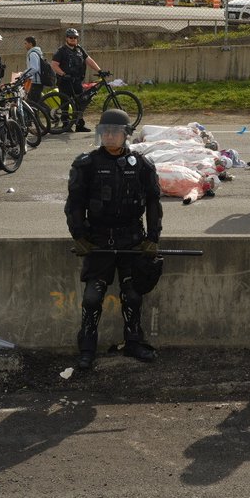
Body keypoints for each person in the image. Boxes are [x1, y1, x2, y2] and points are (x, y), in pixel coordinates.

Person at [66, 108, 162, 369]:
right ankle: (87, 347)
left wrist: (153, 238)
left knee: (132, 295)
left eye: (115, 132)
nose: (109, 136)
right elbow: (74, 204)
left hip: (132, 240)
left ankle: (133, 342)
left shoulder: (141, 164)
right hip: (99, 241)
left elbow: (154, 202)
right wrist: (79, 236)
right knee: (92, 298)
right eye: (104, 131)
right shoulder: (86, 164)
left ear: (125, 134)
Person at [51, 28, 102, 132]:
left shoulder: (80, 50)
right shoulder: (61, 51)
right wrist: (63, 74)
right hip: (65, 81)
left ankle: (79, 125)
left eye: (75, 38)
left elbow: (89, 60)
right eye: (71, 37)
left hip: (77, 81)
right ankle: (66, 125)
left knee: (80, 103)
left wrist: (100, 70)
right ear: (66, 38)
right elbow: (54, 65)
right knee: (65, 103)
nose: (73, 39)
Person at [22, 36, 45, 103]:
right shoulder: (36, 53)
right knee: (37, 102)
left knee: (33, 102)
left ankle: (47, 112)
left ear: (30, 44)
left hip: (35, 82)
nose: (25, 45)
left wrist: (24, 74)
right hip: (37, 81)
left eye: (25, 43)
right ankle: (46, 112)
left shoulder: (32, 54)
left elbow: (34, 68)